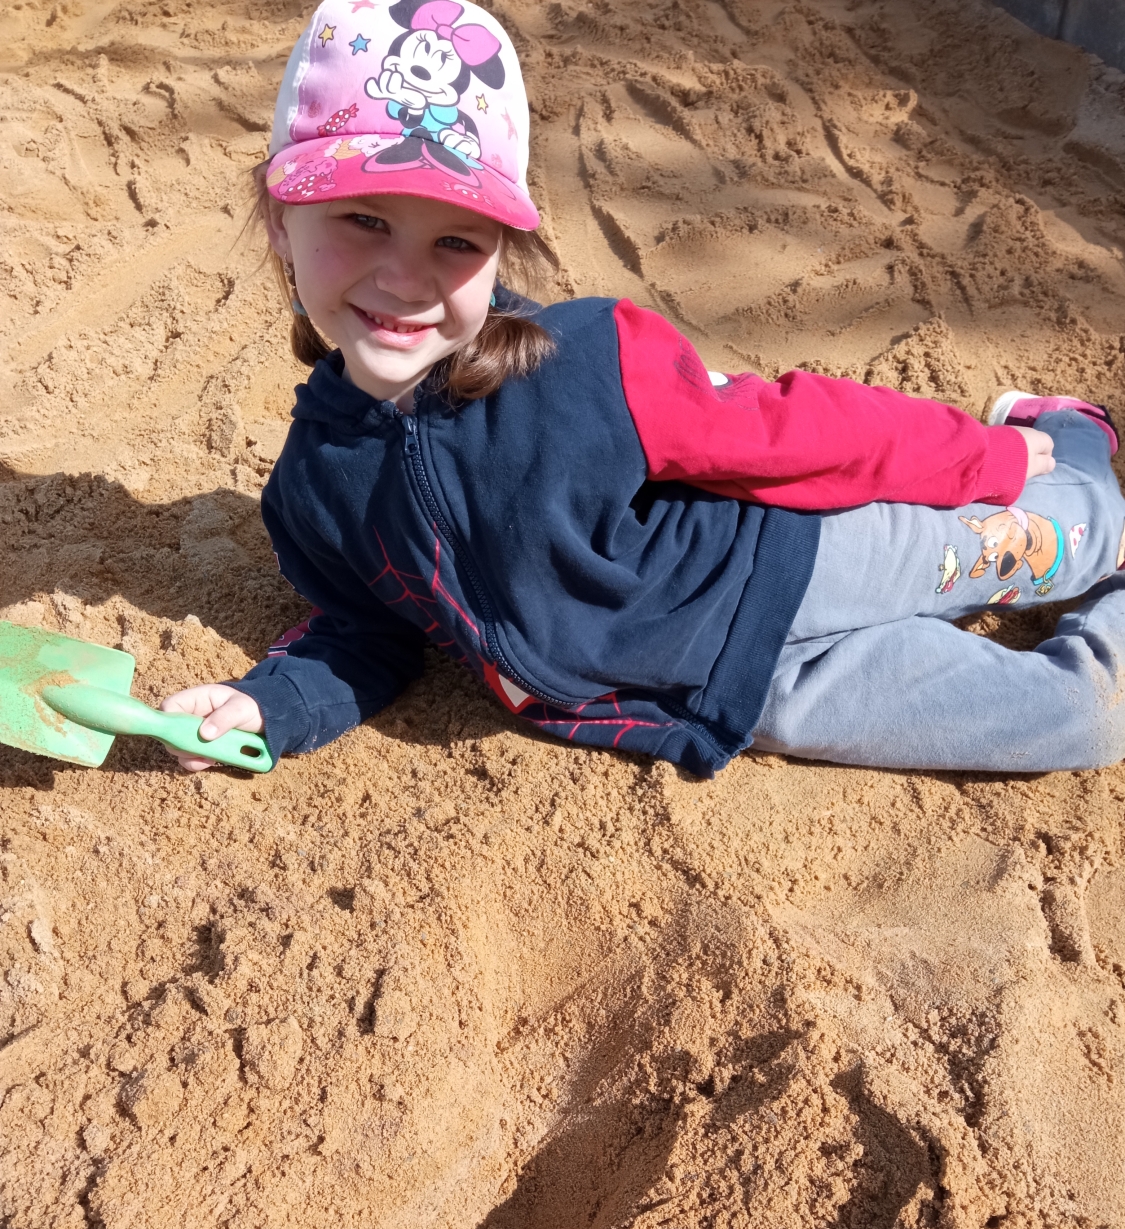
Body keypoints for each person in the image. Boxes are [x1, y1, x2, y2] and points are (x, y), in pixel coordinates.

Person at [162, 0, 1125, 778]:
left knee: (1078, 539)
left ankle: (1072, 439)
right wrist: (270, 705)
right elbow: (367, 636)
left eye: (454, 240)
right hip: (752, 693)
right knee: (1080, 721)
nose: (406, 278)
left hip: (811, 560)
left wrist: (984, 455)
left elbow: (797, 431)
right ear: (281, 218)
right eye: (364, 220)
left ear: (500, 251)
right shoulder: (312, 490)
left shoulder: (583, 362)